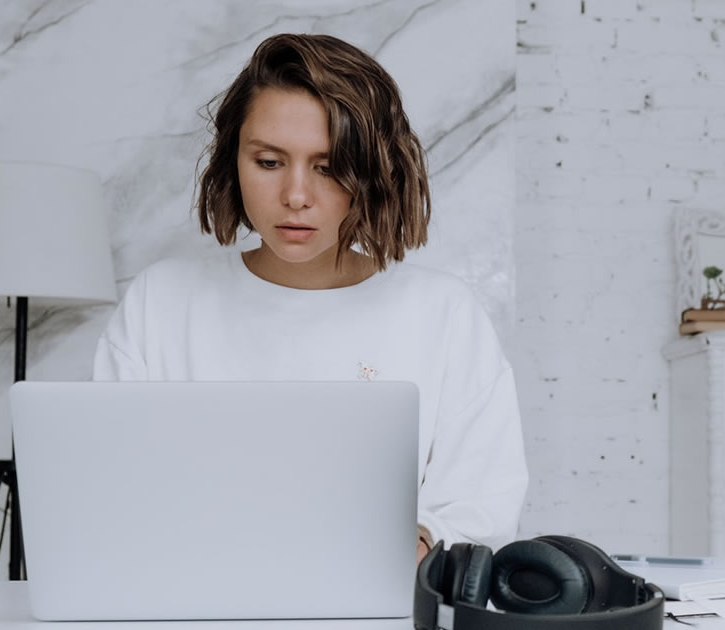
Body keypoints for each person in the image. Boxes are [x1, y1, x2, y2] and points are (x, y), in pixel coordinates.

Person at [92, 33, 527, 563]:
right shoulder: (160, 303)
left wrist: (416, 540)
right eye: (269, 162)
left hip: (373, 596)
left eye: (326, 167)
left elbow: (484, 505)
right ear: (233, 161)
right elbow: (106, 488)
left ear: (372, 172)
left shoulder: (442, 314)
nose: (296, 196)